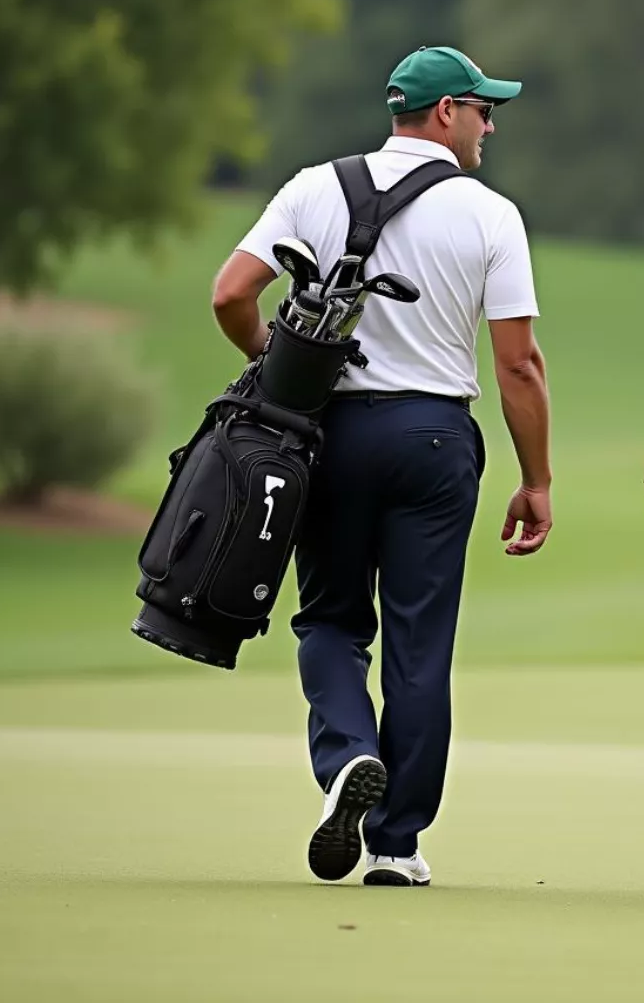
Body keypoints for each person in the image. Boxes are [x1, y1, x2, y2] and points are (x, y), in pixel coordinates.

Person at [212, 45, 553, 887]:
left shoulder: (311, 187)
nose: (489, 123)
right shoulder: (490, 213)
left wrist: (281, 363)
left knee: (328, 620)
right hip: (435, 440)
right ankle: (397, 845)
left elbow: (229, 294)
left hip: (323, 436)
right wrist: (536, 479)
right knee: (419, 644)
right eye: (480, 108)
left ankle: (344, 762)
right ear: (445, 114)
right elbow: (519, 364)